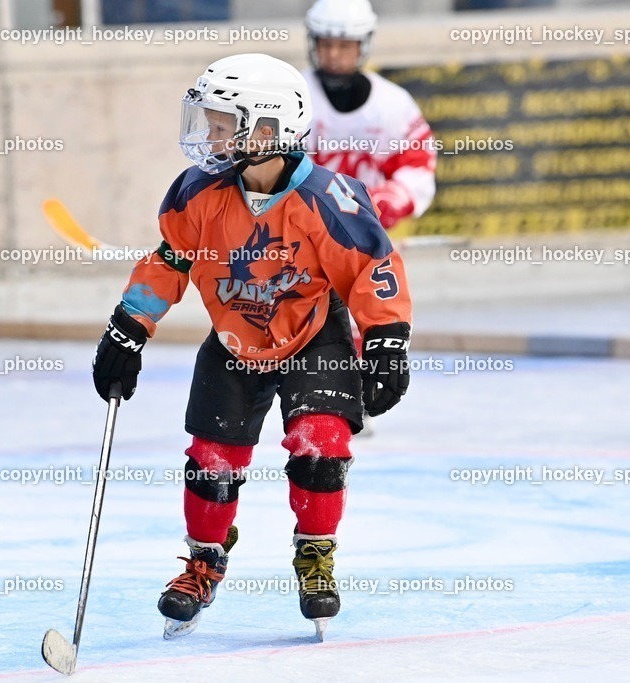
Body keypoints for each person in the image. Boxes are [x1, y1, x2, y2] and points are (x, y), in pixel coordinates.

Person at [91, 53, 412, 640]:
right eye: (207, 121)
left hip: (314, 339)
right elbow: (170, 259)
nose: (208, 135)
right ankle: (204, 561)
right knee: (211, 463)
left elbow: (373, 268)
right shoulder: (199, 193)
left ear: (267, 129)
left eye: (221, 123)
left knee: (320, 447)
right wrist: (129, 326)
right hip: (234, 342)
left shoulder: (327, 200)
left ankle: (316, 559)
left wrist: (387, 339)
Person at [302, 0, 437, 232]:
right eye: (326, 44)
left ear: (362, 45)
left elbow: (418, 165)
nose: (333, 54)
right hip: (304, 234)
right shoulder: (292, 95)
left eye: (344, 45)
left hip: (373, 236)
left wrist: (393, 198)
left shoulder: (393, 104)